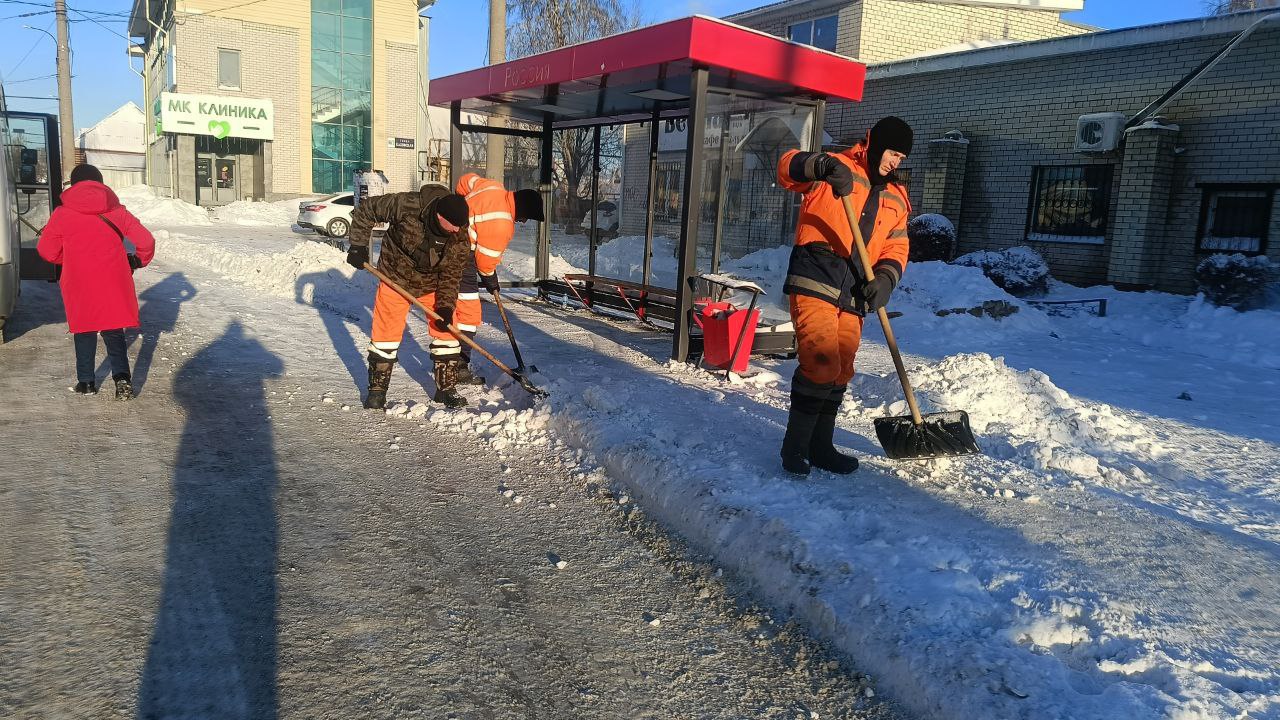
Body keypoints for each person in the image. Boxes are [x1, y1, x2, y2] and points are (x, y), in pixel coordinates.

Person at [776, 116, 914, 476]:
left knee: (841, 370)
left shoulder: (897, 197)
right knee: (821, 362)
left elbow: (897, 247)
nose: (896, 162)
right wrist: (818, 165)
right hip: (817, 278)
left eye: (901, 157)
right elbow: (785, 168)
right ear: (875, 143)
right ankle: (795, 447)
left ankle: (820, 446)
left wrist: (885, 280)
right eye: (893, 152)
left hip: (855, 289)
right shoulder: (837, 168)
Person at [346, 184, 472, 409]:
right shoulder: (407, 205)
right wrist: (358, 245)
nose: (456, 230)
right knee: (386, 333)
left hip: (432, 284)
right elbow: (367, 209)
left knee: (448, 332)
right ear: (439, 215)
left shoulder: (460, 237)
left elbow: (451, 276)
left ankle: (445, 388)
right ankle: (377, 391)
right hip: (396, 278)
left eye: (459, 226)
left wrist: (445, 307)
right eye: (452, 225)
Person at [37, 164, 155, 400]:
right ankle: (122, 381)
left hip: (79, 281)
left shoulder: (62, 214)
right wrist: (137, 261)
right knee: (113, 330)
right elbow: (147, 241)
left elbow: (46, 251)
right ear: (100, 184)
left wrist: (68, 260)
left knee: (84, 329)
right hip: (113, 280)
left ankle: (87, 383)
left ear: (74, 184)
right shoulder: (117, 211)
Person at [451, 172, 544, 384]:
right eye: (525, 217)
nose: (522, 222)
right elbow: (485, 264)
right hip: (460, 256)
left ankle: (451, 361)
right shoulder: (502, 223)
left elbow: (463, 181)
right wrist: (491, 280)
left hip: (450, 243)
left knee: (453, 306)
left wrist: (461, 210)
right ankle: (458, 366)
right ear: (520, 210)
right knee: (468, 312)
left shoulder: (492, 186)